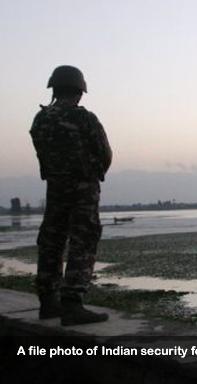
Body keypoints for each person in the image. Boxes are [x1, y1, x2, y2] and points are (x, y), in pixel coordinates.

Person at [30, 65, 112, 326]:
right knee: (83, 240)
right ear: (79, 91)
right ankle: (72, 303)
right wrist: (92, 172)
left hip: (54, 188)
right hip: (82, 189)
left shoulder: (40, 119)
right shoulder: (83, 118)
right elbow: (105, 153)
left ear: (54, 89)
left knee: (51, 240)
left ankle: (48, 301)